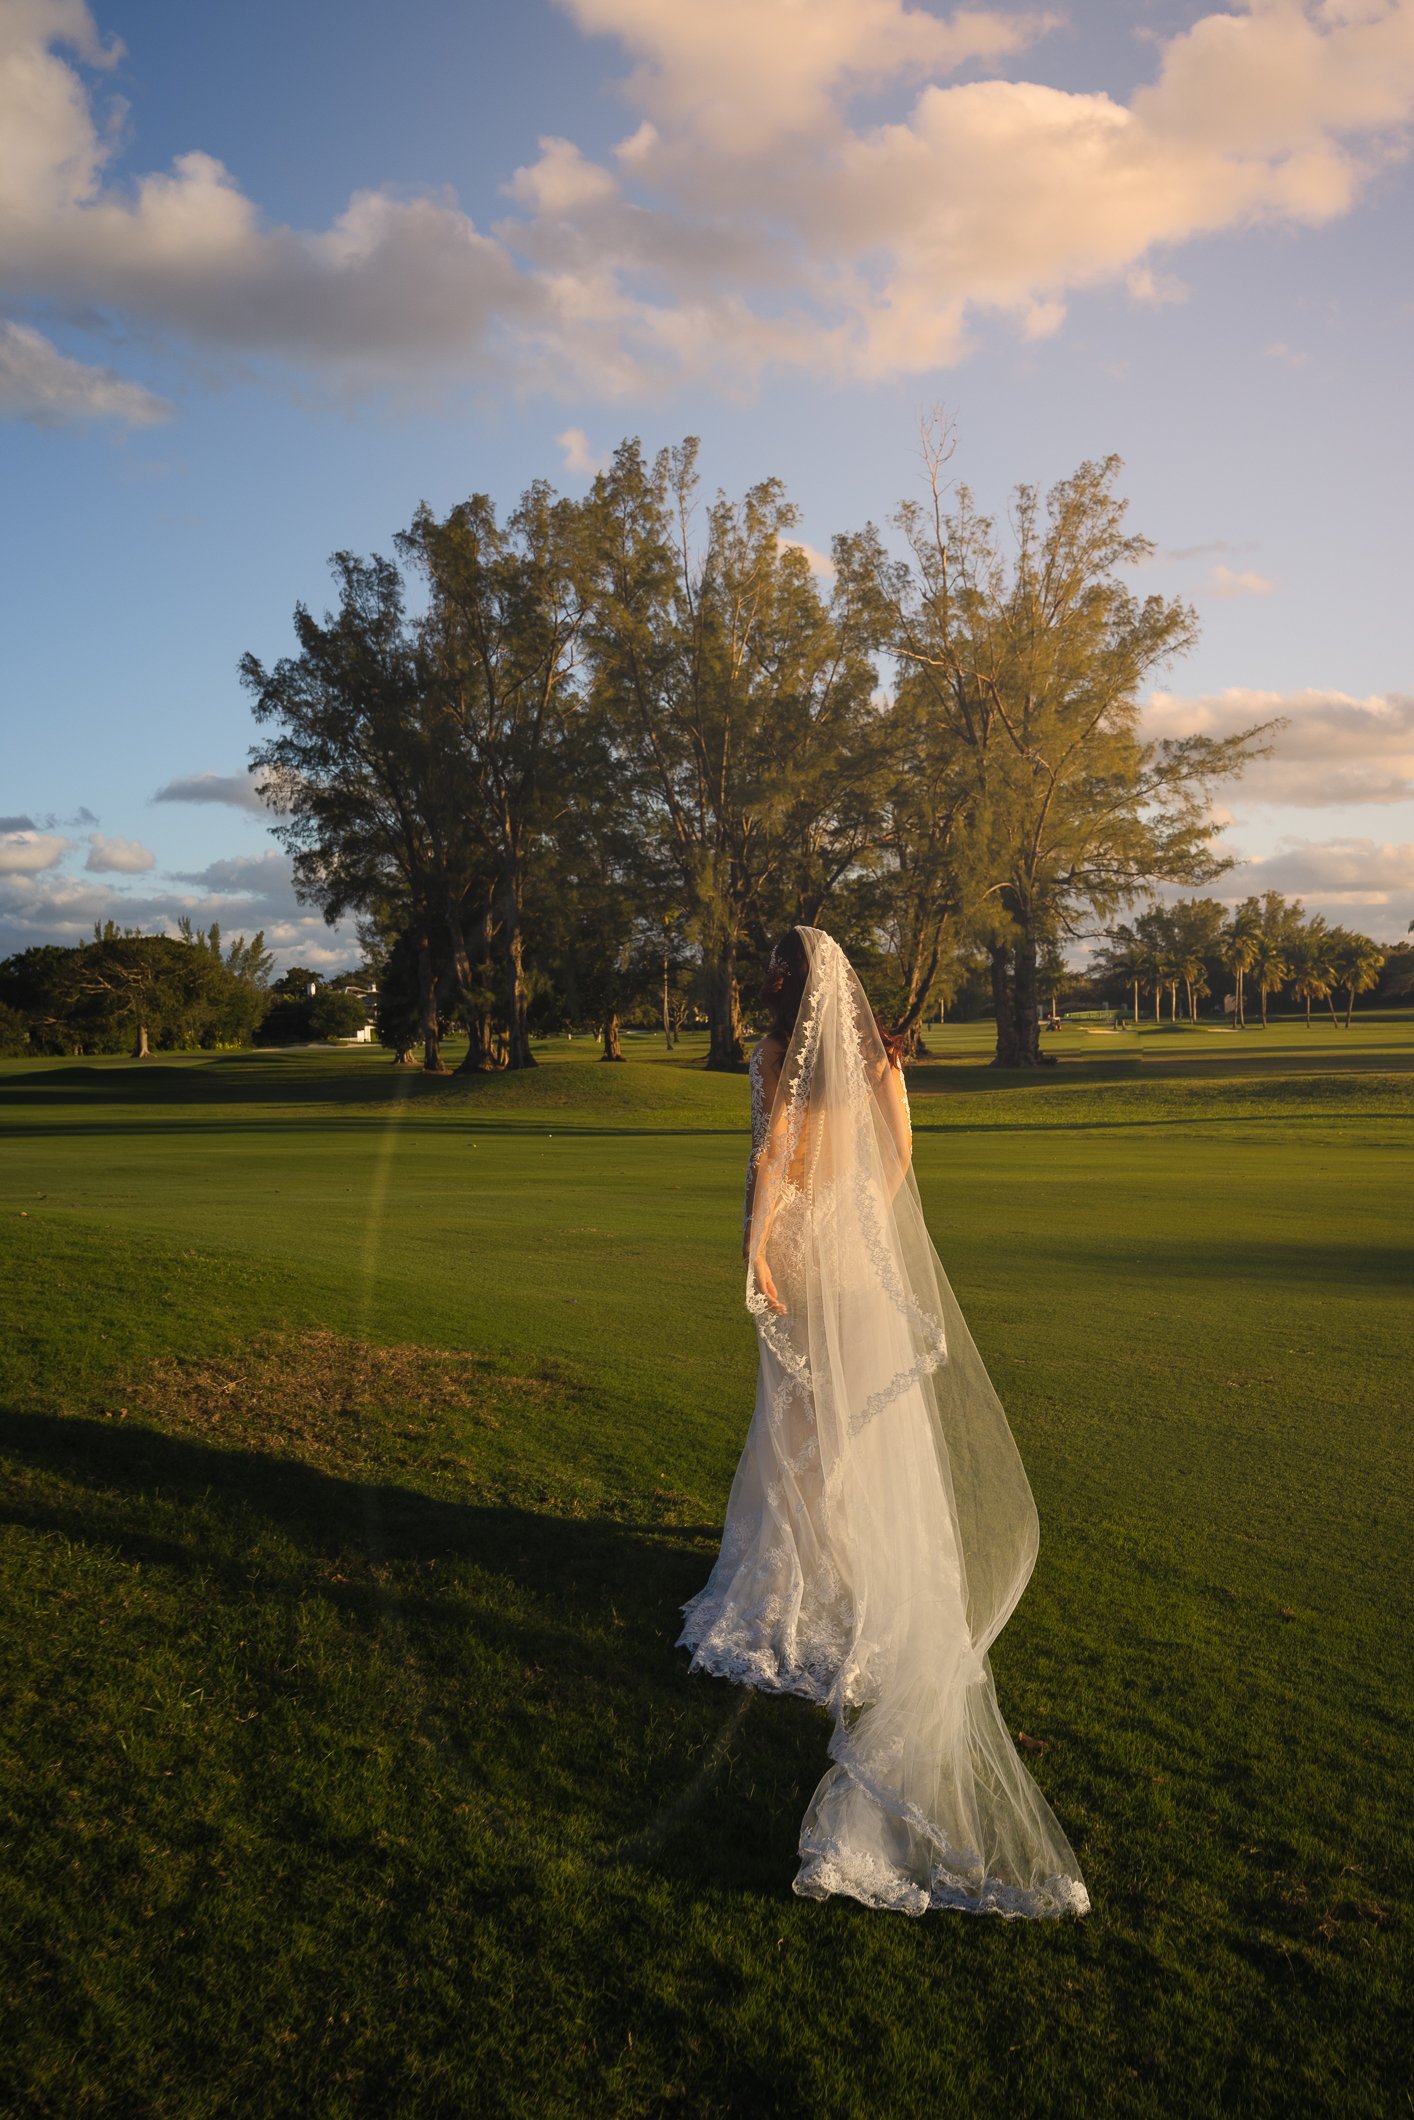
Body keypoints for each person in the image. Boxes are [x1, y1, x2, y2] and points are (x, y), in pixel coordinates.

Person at [678, 925, 1090, 1919]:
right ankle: (856, 1575)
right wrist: (855, 1223)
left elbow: (770, 1153)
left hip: (799, 1244)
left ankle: (802, 1578)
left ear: (785, 985)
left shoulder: (776, 1054)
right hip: (857, 1252)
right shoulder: (880, 1061)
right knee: (855, 1428)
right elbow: (898, 1162)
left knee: (800, 1430)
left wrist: (758, 1245)